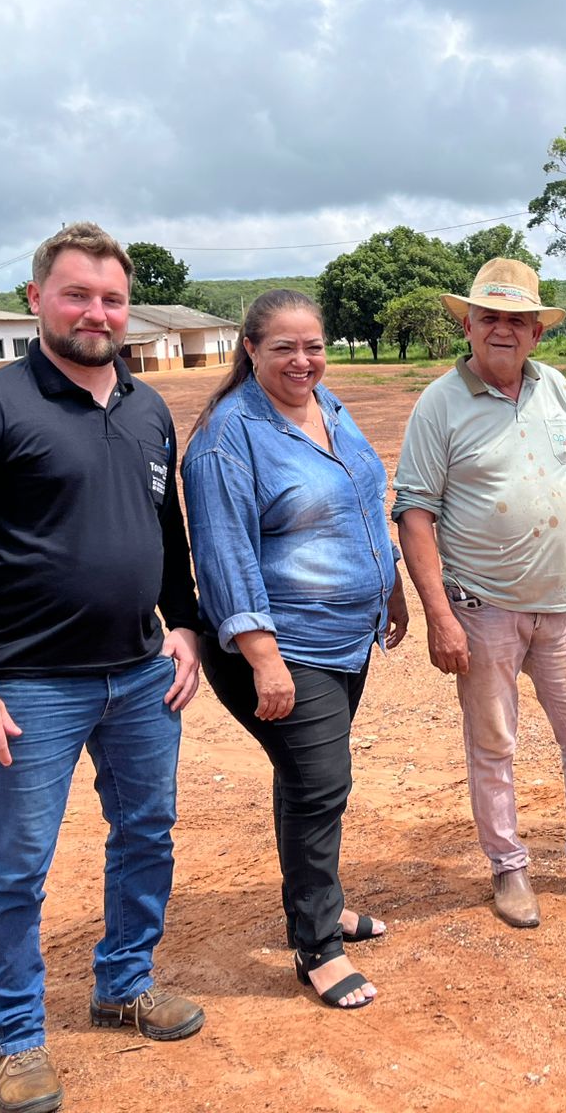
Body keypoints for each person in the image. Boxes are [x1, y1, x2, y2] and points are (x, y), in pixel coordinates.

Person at [0, 222, 205, 1113]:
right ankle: (16, 1038)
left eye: (112, 298)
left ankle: (123, 981)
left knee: (146, 834)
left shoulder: (149, 408)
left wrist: (186, 625)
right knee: (17, 865)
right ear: (35, 299)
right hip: (27, 686)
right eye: (77, 294)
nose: (96, 312)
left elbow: (165, 535)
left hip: (140, 675)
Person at [394, 258, 566, 928]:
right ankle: (509, 868)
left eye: (517, 320)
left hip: (562, 607)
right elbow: (414, 513)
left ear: (536, 332)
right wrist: (439, 615)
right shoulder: (439, 404)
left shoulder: (557, 389)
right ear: (470, 326)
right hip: (482, 609)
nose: (503, 330)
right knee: (494, 743)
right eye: (490, 318)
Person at [183, 289, 408, 1009]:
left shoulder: (329, 407)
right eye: (284, 347)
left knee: (311, 784)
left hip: (345, 638)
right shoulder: (227, 437)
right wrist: (263, 657)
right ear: (250, 349)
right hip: (283, 647)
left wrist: (390, 587)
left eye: (313, 345)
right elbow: (223, 556)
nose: (303, 360)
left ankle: (321, 902)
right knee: (320, 786)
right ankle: (318, 947)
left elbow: (363, 501)